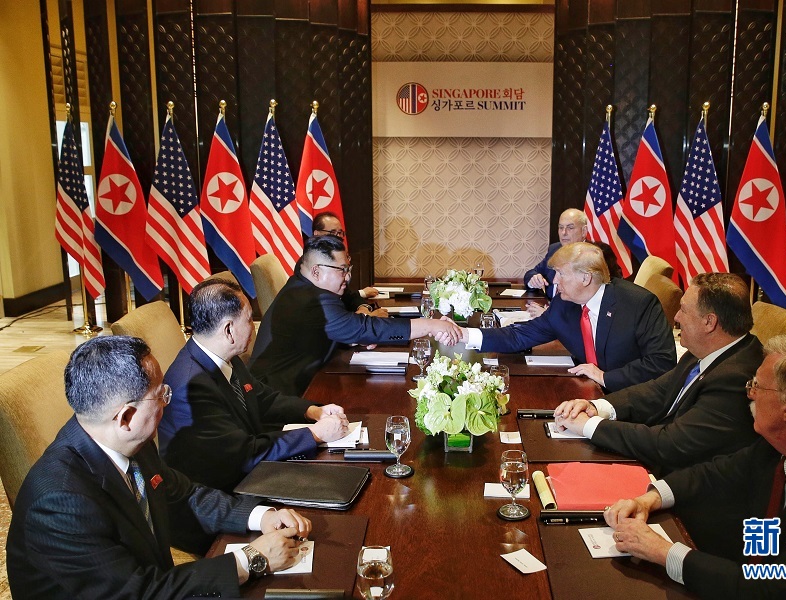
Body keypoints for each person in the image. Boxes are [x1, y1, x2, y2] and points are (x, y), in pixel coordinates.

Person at [7, 336, 311, 600]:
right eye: (162, 394)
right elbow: (140, 593)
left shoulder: (128, 442)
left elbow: (185, 495)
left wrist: (261, 516)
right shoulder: (60, 502)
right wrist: (253, 559)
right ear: (126, 417)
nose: (168, 402)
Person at [604, 334, 786, 599]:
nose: (749, 393)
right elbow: (717, 473)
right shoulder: (784, 443)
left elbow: (770, 589)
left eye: (757, 385)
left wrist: (663, 552)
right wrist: (650, 498)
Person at [554, 272, 762, 475]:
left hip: (680, 478)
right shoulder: (705, 350)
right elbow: (658, 390)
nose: (676, 317)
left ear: (709, 322)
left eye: (683, 310)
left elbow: (670, 444)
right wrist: (596, 407)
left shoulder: (735, 378)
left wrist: (590, 426)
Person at [158, 279, 349, 492]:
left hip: (250, 466)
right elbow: (243, 455)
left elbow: (262, 398)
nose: (253, 326)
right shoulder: (190, 388)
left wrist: (312, 411)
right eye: (249, 319)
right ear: (228, 330)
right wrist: (314, 434)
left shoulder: (223, 355)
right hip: (222, 491)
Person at [250, 234, 463, 395]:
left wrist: (352, 336)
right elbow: (365, 328)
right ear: (316, 271)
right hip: (281, 396)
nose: (348, 277)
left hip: (308, 378)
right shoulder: (311, 299)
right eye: (342, 270)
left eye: (348, 269)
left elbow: (339, 328)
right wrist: (430, 325)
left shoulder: (303, 285)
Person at [463, 242, 675, 392]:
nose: (555, 281)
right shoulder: (564, 305)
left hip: (630, 397)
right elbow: (519, 336)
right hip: (586, 392)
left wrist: (605, 377)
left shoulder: (639, 304)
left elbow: (661, 363)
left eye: (561, 274)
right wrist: (464, 335)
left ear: (585, 278)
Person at [312, 211, 384, 314]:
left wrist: (363, 308)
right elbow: (331, 312)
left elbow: (348, 296)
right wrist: (367, 319)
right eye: (332, 233)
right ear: (317, 234)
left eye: (340, 233)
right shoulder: (311, 264)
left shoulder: (336, 260)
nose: (338, 237)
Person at [524, 208, 588, 296]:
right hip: (548, 303)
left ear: (584, 231)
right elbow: (532, 272)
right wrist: (534, 280)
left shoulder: (592, 255)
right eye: (561, 227)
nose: (564, 232)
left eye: (570, 228)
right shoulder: (554, 249)